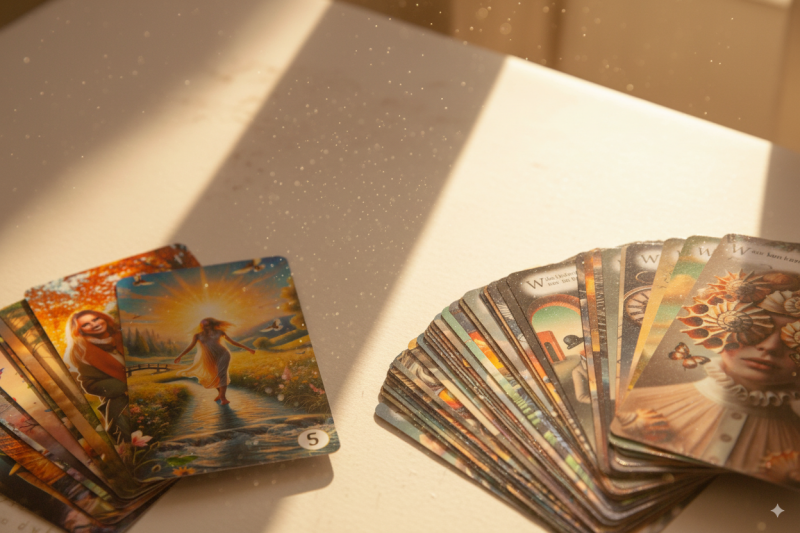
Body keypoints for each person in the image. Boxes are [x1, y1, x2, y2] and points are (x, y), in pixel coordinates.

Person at [612, 270, 800, 486]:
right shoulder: (634, 403)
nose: (770, 347)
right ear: (716, 326)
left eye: (793, 338)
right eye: (755, 327)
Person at [64, 310, 130, 442]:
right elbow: (89, 384)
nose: (94, 325)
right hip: (118, 397)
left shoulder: (124, 334)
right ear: (79, 330)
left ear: (104, 318)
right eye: (86, 324)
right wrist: (125, 385)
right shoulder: (82, 351)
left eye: (96, 319)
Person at [174, 318, 255, 405]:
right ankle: (220, 394)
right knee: (214, 376)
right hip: (208, 358)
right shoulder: (197, 335)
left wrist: (248, 348)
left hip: (223, 354)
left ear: (212, 324)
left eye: (207, 325)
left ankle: (223, 398)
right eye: (203, 325)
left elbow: (233, 342)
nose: (205, 327)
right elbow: (190, 347)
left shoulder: (220, 332)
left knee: (222, 374)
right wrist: (180, 356)